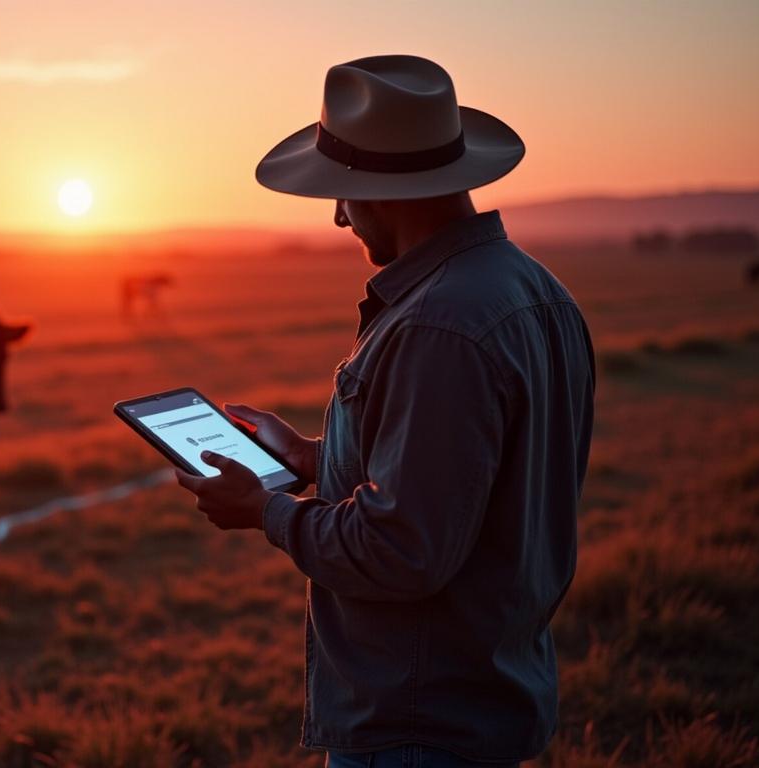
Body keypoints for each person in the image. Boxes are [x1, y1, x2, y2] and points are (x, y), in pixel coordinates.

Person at [172, 55, 595, 766]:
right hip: (484, 696)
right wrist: (311, 456)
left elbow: (403, 551)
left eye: (344, 194)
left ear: (391, 194)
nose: (338, 215)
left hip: (416, 723)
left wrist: (265, 511)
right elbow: (464, 484)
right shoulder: (535, 290)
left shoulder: (438, 325)